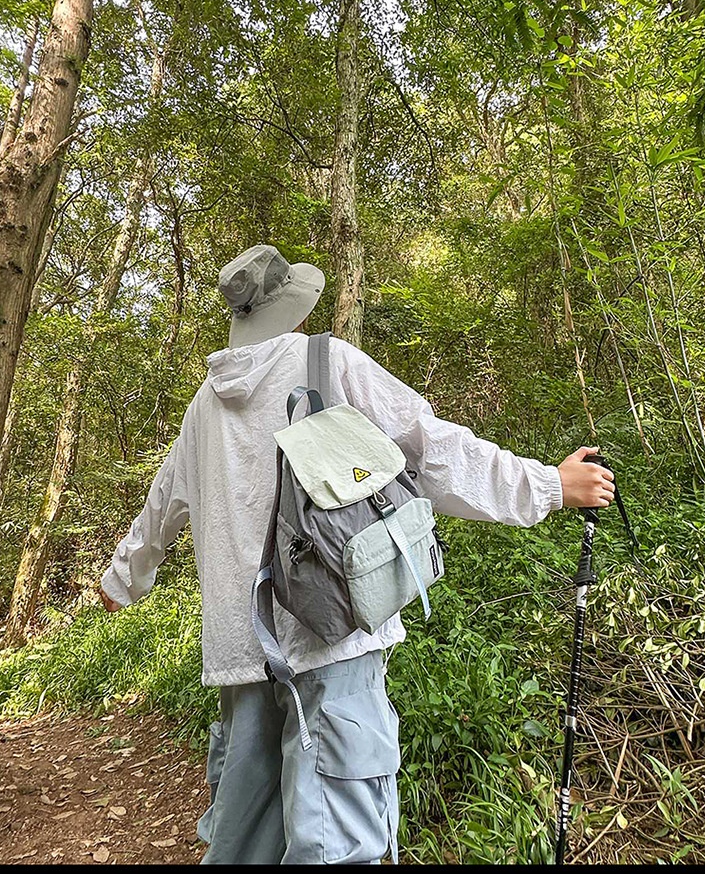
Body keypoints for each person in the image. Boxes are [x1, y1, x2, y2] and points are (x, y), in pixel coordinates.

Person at [99, 243, 615, 866]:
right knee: (338, 842)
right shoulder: (325, 361)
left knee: (243, 846)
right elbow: (430, 451)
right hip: (331, 638)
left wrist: (121, 580)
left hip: (240, 654)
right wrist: (549, 486)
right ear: (292, 307)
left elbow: (162, 507)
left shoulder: (203, 407)